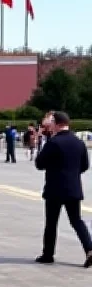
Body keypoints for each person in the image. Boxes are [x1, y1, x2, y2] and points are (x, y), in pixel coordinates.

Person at [35, 111, 92, 267]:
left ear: (58, 124)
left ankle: (48, 254)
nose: (50, 125)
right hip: (73, 188)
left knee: (51, 223)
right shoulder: (79, 143)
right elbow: (85, 165)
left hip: (55, 188)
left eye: (52, 122)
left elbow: (39, 163)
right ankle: (89, 249)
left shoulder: (54, 142)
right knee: (77, 220)